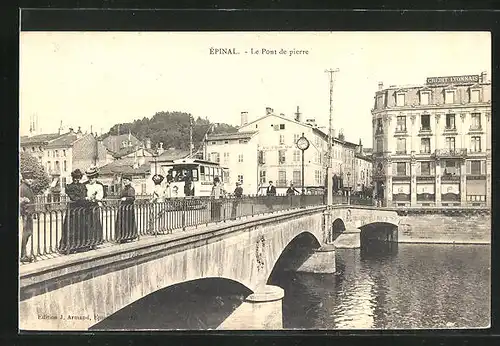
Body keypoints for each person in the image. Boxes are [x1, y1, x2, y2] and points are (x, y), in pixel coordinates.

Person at [58, 169, 88, 254]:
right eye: (75, 177)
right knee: (71, 228)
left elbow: (83, 195)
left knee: (81, 227)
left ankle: (81, 246)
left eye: (78, 178)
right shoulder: (69, 187)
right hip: (73, 210)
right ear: (72, 177)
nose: (76, 179)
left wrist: (83, 198)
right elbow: (74, 197)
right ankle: (70, 246)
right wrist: (83, 199)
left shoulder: (83, 186)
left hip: (81, 210)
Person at [83, 166, 105, 250]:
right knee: (87, 224)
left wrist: (95, 198)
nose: (90, 179)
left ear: (96, 178)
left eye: (92, 178)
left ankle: (95, 241)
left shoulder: (99, 186)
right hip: (86, 207)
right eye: (89, 177)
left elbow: (100, 196)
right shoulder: (85, 185)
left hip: (94, 206)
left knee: (95, 224)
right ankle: (87, 242)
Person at [115, 174, 138, 243]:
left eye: (126, 180)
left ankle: (129, 235)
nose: (124, 181)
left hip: (128, 208)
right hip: (122, 208)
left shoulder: (131, 189)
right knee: (121, 222)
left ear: (130, 181)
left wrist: (126, 198)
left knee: (127, 222)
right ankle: (121, 236)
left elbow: (132, 198)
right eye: (123, 180)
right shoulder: (123, 189)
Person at [20, 171, 35, 262]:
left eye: (31, 178)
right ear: (24, 179)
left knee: (28, 233)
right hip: (26, 214)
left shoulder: (28, 187)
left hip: (29, 214)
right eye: (28, 178)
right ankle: (23, 255)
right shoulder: (22, 188)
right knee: (26, 234)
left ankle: (24, 254)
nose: (30, 180)